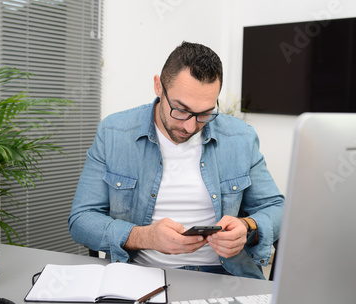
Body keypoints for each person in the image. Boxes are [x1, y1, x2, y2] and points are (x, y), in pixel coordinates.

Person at [68, 41, 284, 279]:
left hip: (225, 275)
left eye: (204, 113)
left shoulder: (240, 137)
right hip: (142, 275)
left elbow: (277, 209)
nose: (190, 126)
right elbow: (81, 219)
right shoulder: (114, 133)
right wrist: (144, 237)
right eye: (180, 110)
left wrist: (248, 228)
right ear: (158, 87)